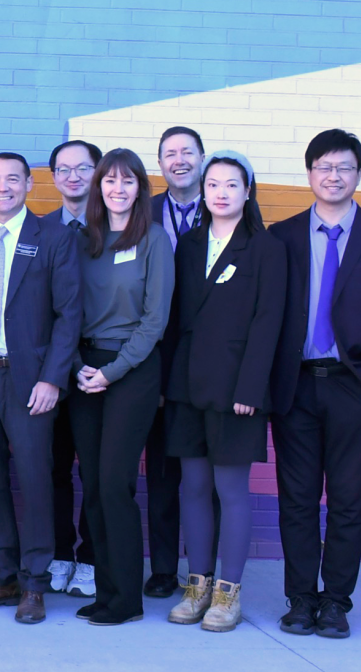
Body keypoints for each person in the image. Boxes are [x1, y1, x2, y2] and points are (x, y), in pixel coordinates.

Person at [266, 129, 361, 640]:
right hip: (296, 386)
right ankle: (301, 599)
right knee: (297, 499)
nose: (334, 175)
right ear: (309, 173)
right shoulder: (282, 236)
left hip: (355, 386)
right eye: (324, 166)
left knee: (349, 500)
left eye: (344, 167)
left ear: (358, 174)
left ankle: (335, 602)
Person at [0, 152, 83, 625]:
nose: (2, 187)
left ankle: (34, 584)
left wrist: (52, 378)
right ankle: (0, 576)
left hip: (31, 380)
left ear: (29, 184)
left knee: (34, 479)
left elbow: (69, 315)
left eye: (13, 179)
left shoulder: (55, 237)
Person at [161, 153, 285, 632]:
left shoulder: (266, 248)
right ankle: (197, 587)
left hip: (236, 390)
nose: (221, 192)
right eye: (212, 184)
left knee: (229, 490)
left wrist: (251, 387)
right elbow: (175, 318)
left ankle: (228, 594)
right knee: (193, 487)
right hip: (187, 386)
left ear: (248, 191)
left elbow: (268, 323)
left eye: (232, 184)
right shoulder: (190, 244)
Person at [65, 148, 172, 626]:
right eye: (110, 180)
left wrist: (112, 371)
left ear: (140, 189)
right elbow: (63, 309)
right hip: (84, 369)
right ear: (98, 187)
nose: (118, 189)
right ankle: (105, 590)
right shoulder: (79, 240)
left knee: (114, 483)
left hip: (132, 369)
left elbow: (155, 320)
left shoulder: (153, 239)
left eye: (128, 181)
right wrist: (77, 366)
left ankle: (127, 597)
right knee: (92, 484)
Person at [140, 126, 205, 598]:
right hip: (155, 359)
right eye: (169, 154)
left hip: (209, 361)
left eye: (187, 152)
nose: (179, 160)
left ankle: (207, 570)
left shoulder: (228, 208)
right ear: (160, 163)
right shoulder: (142, 212)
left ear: (202, 158)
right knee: (162, 473)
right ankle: (164, 569)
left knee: (208, 477)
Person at [43, 139, 102, 597]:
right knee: (53, 467)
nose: (73, 177)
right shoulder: (40, 230)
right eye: (63, 169)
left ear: (98, 172)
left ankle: (91, 558)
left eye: (83, 168)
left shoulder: (116, 228)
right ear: (52, 178)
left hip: (99, 370)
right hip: (51, 368)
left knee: (96, 470)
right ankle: (60, 552)